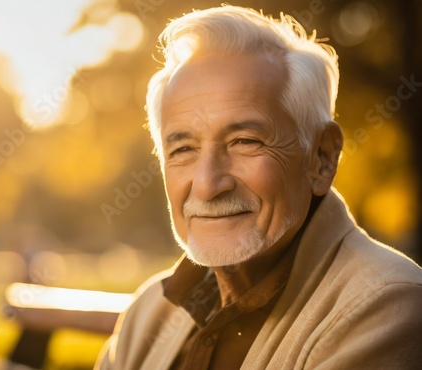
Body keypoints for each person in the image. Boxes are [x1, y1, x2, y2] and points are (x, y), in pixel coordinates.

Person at [95, 5, 422, 370]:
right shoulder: (149, 312)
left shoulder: (389, 307)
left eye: (245, 141)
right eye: (183, 149)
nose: (207, 185)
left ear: (321, 158)